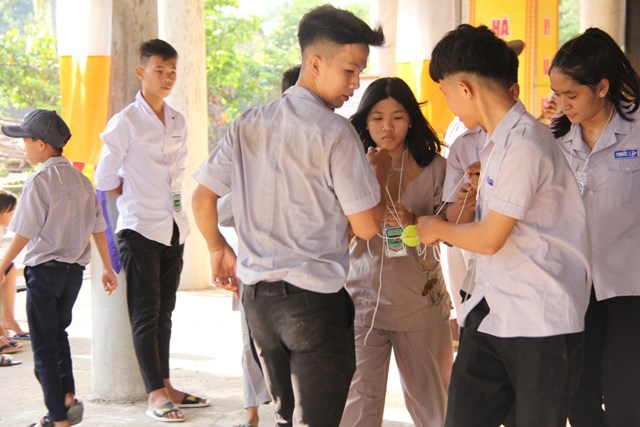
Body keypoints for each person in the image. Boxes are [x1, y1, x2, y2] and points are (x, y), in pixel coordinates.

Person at [192, 5, 388, 426]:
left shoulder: (246, 124)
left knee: (285, 417)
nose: (355, 83)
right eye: (350, 70)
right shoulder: (335, 132)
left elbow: (202, 198)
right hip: (313, 302)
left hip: (257, 303)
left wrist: (216, 247)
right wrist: (380, 176)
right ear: (315, 63)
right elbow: (367, 226)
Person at [418, 24, 591, 427]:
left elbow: (490, 238)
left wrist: (436, 229)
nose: (448, 102)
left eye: (445, 91)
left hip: (540, 321)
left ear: (464, 89)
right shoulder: (497, 143)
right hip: (492, 309)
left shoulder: (526, 143)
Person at [94, 39, 208, 423]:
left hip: (174, 227)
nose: (167, 77)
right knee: (145, 313)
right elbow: (104, 177)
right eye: (159, 70)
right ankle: (153, 394)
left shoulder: (177, 120)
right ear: (141, 72)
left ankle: (166, 383)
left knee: (165, 312)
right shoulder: (125, 121)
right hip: (139, 227)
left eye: (172, 71)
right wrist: (132, 193)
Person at [338, 77, 452, 427]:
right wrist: (374, 175)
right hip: (361, 301)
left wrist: (413, 221)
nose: (387, 127)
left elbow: (453, 230)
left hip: (419, 304)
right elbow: (339, 235)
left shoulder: (435, 167)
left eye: (398, 117)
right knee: (357, 404)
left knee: (432, 404)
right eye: (377, 118)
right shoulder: (349, 167)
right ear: (364, 121)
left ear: (412, 120)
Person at [0, 109, 118, 427]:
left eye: (26, 140)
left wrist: (3, 264)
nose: (24, 146)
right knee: (58, 335)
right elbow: (99, 227)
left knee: (42, 347)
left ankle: (57, 418)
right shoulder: (82, 181)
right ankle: (66, 398)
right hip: (72, 275)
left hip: (44, 273)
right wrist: (107, 268)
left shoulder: (40, 180)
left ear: (41, 144)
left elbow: (24, 231)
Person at [548, 28, 640, 427]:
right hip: (575, 285)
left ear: (602, 87)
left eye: (571, 95)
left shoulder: (637, 129)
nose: (562, 104)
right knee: (579, 400)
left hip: (630, 287)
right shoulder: (554, 139)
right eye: (557, 94)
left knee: (626, 402)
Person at [0, 190, 30, 340]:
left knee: (9, 268)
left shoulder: (2, 228)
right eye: (11, 212)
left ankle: (9, 320)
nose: (14, 215)